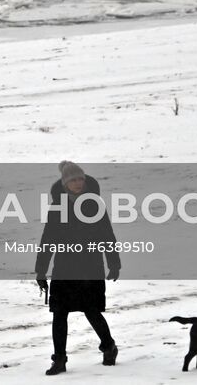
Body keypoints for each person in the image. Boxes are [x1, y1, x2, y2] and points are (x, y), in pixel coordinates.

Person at [34, 161, 120, 375]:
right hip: (64, 267)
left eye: (80, 178)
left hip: (90, 266)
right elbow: (48, 239)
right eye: (73, 180)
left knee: (91, 311)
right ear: (65, 183)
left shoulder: (95, 204)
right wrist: (41, 270)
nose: (78, 183)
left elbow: (107, 235)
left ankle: (108, 346)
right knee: (59, 313)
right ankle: (59, 359)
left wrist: (114, 263)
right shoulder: (57, 207)